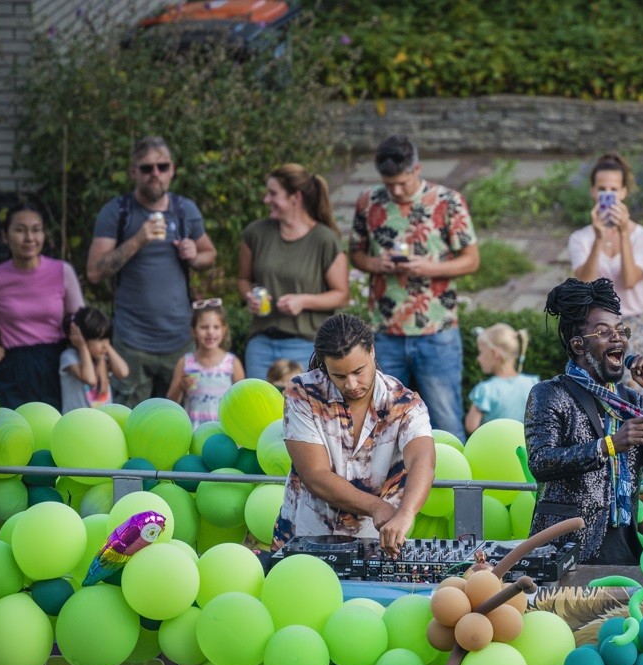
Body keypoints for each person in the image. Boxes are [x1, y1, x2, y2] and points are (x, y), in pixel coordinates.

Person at [524, 278, 643, 565]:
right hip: (567, 548)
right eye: (604, 332)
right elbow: (541, 463)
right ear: (579, 345)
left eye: (621, 330)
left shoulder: (633, 400)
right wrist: (609, 444)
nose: (618, 338)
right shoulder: (549, 394)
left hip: (624, 546)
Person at [267, 314, 435, 557]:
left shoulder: (406, 402)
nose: (352, 384)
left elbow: (423, 460)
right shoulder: (302, 392)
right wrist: (377, 507)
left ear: (372, 353)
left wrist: (406, 513)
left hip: (374, 549)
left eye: (358, 371)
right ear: (324, 366)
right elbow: (315, 475)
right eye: (340, 376)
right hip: (304, 539)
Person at [349, 135, 479, 441]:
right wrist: (375, 263)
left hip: (437, 331)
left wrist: (429, 268)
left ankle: (454, 486)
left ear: (417, 169)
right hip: (385, 330)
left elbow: (472, 260)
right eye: (388, 183)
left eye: (402, 183)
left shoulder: (448, 201)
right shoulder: (368, 201)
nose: (395, 190)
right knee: (383, 421)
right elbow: (355, 254)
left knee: (446, 422)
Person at [86, 136, 217, 406]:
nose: (155, 174)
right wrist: (137, 240)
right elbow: (94, 272)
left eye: (162, 166)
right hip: (132, 343)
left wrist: (195, 254)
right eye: (147, 168)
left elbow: (210, 255)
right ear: (133, 171)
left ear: (172, 169)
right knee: (130, 426)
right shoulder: (117, 212)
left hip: (180, 340)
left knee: (179, 424)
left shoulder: (185, 211)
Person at [238, 163, 350, 378]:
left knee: (301, 410)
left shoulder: (324, 239)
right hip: (261, 343)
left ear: (295, 198)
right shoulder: (255, 233)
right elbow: (243, 279)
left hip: (305, 344)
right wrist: (248, 295)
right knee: (257, 411)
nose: (266, 200)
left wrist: (303, 301)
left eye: (273, 194)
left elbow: (341, 295)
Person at [569, 153, 643, 364]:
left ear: (623, 192)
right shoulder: (580, 239)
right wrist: (598, 239)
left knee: (640, 390)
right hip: (594, 327)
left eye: (613, 189)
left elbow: (629, 281)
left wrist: (624, 233)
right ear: (593, 191)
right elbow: (585, 284)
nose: (607, 194)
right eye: (602, 189)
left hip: (633, 326)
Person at [0, 201, 84, 410]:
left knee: (59, 434)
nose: (29, 238)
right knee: (18, 435)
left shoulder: (62, 271)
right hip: (14, 368)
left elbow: (81, 322)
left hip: (59, 365)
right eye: (20, 230)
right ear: (5, 236)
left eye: (36, 230)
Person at [166, 299, 244, 428]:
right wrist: (181, 386)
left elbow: (242, 401)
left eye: (216, 327)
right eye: (204, 327)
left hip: (224, 432)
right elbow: (171, 402)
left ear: (224, 330)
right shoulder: (185, 362)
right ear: (193, 331)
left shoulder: (232, 363)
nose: (210, 332)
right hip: (193, 431)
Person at [465, 323, 538, 433]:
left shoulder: (486, 390)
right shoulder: (532, 383)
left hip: (495, 448)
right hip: (526, 447)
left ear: (495, 354)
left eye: (480, 352)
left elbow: (471, 426)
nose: (478, 358)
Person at [59, 307, 129, 413]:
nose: (105, 344)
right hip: (77, 422)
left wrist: (107, 347)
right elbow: (90, 379)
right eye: (99, 340)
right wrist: (82, 346)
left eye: (107, 338)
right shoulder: (69, 357)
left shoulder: (102, 359)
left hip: (103, 422)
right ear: (82, 338)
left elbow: (123, 372)